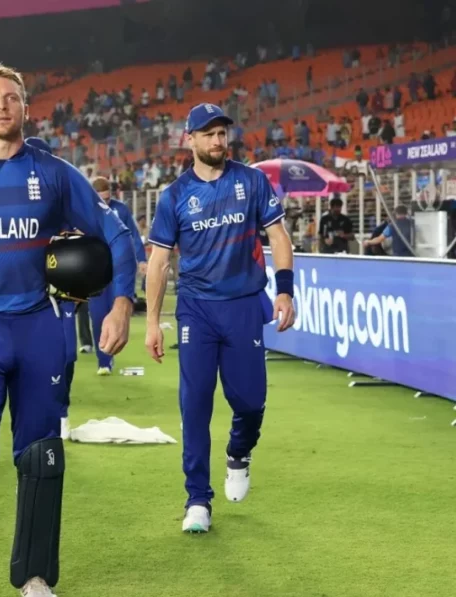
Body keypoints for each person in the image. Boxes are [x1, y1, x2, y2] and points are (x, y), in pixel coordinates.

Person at [0, 64, 136, 597]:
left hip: (41, 332)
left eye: (11, 98)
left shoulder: (55, 173)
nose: (2, 106)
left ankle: (35, 575)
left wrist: (119, 304)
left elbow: (116, 236)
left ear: (26, 109)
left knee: (41, 455)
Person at [143, 102, 296, 534]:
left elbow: (279, 237)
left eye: (222, 133)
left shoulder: (251, 180)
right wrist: (153, 321)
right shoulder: (174, 196)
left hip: (245, 305)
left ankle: (240, 450)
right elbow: (158, 262)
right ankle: (197, 499)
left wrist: (284, 289)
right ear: (189, 139)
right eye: (208, 134)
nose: (217, 141)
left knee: (250, 402)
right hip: (196, 309)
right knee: (194, 404)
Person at [26, 136, 78, 441]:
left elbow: (86, 232)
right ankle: (40, 415)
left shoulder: (65, 196)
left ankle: (62, 411)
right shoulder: (12, 197)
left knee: (67, 354)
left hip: (63, 282)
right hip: (26, 287)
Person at [87, 177, 148, 375]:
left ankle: (109, 356)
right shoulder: (84, 210)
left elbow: (132, 236)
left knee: (116, 311)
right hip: (95, 271)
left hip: (118, 270)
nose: (105, 203)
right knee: (97, 316)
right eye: (101, 199)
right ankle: (103, 360)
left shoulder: (121, 209)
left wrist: (141, 259)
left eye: (108, 198)